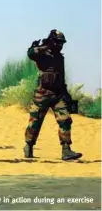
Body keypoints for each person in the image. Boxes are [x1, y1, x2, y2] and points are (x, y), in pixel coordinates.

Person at [23, 29, 82, 161]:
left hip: (57, 95)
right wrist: (45, 46)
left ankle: (66, 150)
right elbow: (30, 54)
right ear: (52, 42)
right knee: (35, 122)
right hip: (42, 94)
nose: (60, 45)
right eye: (58, 42)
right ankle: (29, 145)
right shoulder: (43, 53)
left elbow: (62, 78)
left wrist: (67, 95)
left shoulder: (60, 58)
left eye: (62, 43)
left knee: (65, 120)